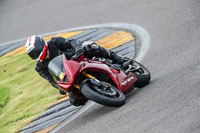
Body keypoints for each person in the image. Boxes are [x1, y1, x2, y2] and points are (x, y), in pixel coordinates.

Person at [25, 35, 128, 106]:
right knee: (74, 100)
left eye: (36, 52)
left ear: (42, 46)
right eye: (33, 54)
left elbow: (72, 42)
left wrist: (78, 48)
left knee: (89, 46)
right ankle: (97, 93)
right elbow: (51, 80)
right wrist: (60, 87)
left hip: (79, 59)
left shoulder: (54, 42)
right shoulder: (40, 67)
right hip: (70, 76)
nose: (36, 55)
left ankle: (118, 58)